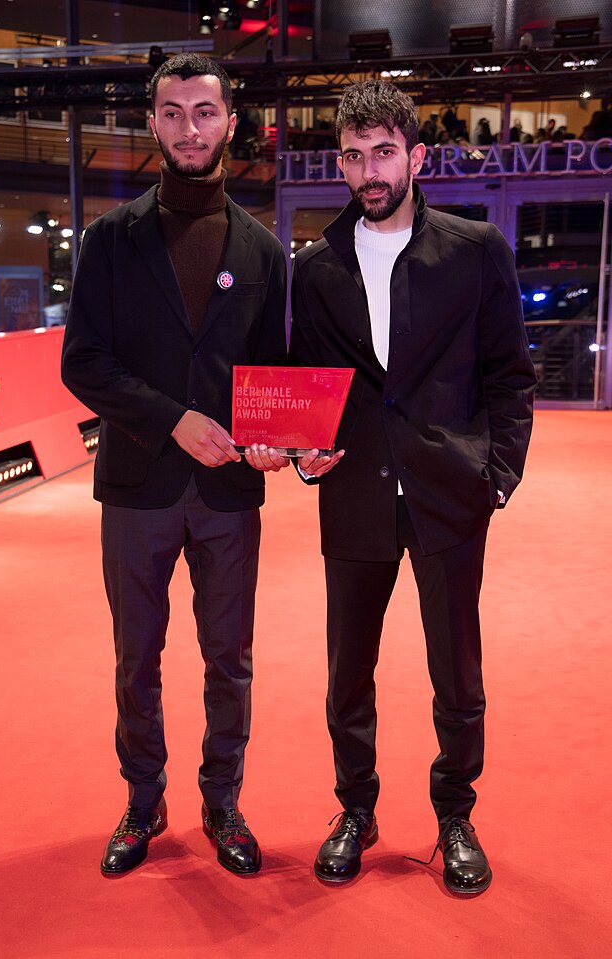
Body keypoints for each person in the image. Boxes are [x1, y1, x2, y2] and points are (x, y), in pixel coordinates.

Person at [288, 80, 536, 895]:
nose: (369, 169)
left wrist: (496, 478)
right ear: (340, 162)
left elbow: (510, 376)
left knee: (455, 674)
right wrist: (299, 453)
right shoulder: (316, 268)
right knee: (346, 673)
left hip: (448, 496)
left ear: (415, 155)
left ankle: (455, 814)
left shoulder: (474, 250)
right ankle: (355, 810)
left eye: (384, 152)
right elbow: (306, 386)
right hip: (353, 495)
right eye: (353, 155)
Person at [61, 53, 288, 878]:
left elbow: (275, 375)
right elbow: (83, 363)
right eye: (172, 112)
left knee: (230, 655)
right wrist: (174, 421)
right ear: (150, 123)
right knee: (137, 656)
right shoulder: (110, 241)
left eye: (204, 111)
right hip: (137, 486)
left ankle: (223, 801)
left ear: (231, 122)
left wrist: (275, 440)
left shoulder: (263, 250)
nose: (189, 128)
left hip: (230, 487)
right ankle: (143, 796)